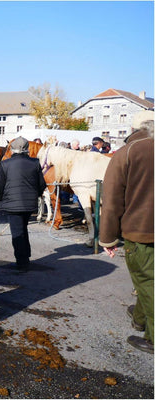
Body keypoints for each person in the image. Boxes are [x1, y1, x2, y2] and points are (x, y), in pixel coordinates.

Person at [99, 110, 154, 354]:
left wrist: (107, 239)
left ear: (133, 129)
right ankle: (141, 316)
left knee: (148, 281)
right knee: (149, 279)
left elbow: (111, 201)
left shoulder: (128, 152)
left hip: (141, 230)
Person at [0, 136, 47, 271]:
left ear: (12, 149)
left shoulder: (5, 164)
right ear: (27, 149)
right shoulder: (35, 162)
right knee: (23, 229)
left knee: (17, 232)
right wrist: (34, 195)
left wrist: (0, 199)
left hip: (12, 204)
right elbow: (41, 184)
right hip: (29, 203)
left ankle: (22, 262)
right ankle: (26, 256)